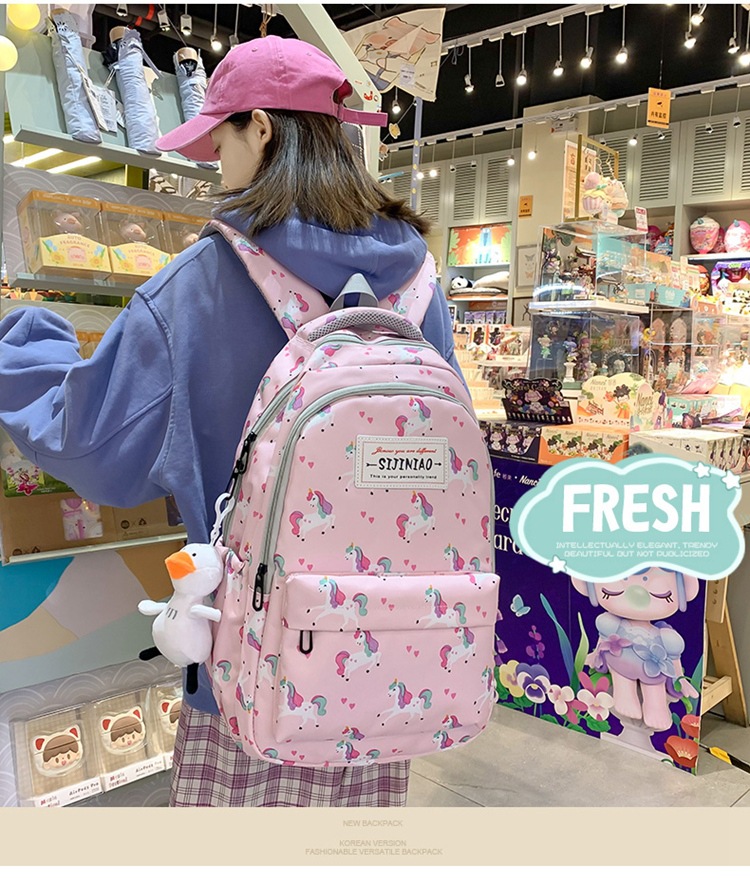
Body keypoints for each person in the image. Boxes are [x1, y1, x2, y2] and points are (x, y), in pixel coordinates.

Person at [0, 35, 461, 807]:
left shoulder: (204, 283)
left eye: (221, 143)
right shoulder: (419, 286)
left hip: (253, 667)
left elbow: (91, 446)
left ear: (263, 129)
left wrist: (28, 340)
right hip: (391, 661)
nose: (218, 167)